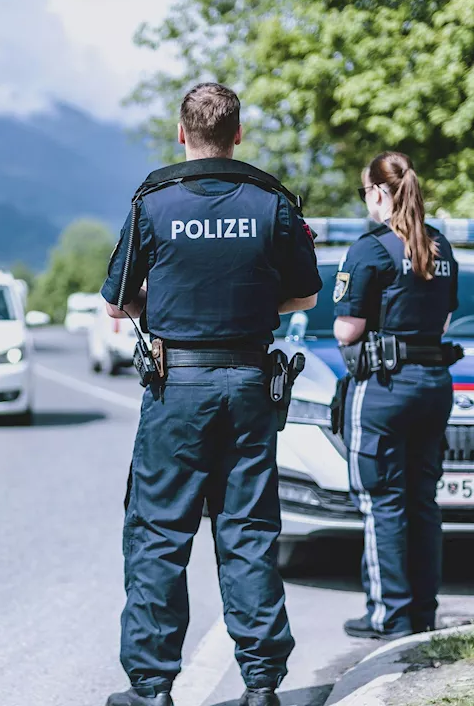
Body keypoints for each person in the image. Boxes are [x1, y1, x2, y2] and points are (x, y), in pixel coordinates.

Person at [100, 83, 323, 706]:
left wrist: (162, 309)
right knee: (248, 532)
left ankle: (150, 690)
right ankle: (260, 687)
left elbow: (118, 299)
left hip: (178, 388)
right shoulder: (271, 201)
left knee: (158, 535)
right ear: (238, 134)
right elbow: (306, 295)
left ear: (181, 133)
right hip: (251, 382)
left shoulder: (153, 201)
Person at [333, 152, 459, 640]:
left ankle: (390, 615)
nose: (366, 200)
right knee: (422, 500)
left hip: (385, 387)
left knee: (381, 500)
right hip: (434, 384)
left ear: (380, 193)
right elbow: (445, 319)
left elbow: (348, 331)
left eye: (366, 191)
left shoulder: (371, 248)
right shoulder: (439, 245)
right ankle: (423, 614)